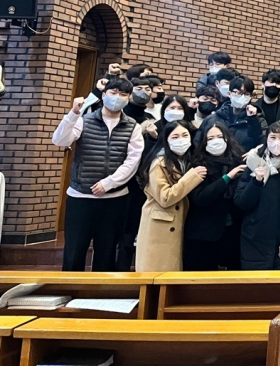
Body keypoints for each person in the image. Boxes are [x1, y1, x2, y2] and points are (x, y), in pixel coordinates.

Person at [52, 78, 143, 271]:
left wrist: (109, 183)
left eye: (123, 94)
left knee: (107, 253)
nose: (117, 97)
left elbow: (133, 161)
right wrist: (73, 113)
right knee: (74, 251)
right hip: (80, 196)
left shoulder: (133, 126)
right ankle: (70, 287)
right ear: (103, 95)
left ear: (128, 98)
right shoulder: (84, 120)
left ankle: (101, 289)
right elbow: (60, 140)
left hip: (114, 198)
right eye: (113, 92)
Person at [135, 121, 207, 271]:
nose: (181, 140)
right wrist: (192, 177)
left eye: (185, 135)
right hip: (160, 226)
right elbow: (165, 198)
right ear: (166, 140)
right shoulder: (159, 163)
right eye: (175, 137)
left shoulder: (188, 160)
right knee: (157, 272)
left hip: (180, 223)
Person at [234, 121, 280, 270]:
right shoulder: (254, 162)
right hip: (254, 239)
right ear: (266, 139)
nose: (276, 142)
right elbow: (241, 202)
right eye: (273, 137)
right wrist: (256, 182)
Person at [184, 121, 247, 271]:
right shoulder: (197, 164)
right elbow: (200, 198)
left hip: (233, 231)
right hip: (203, 233)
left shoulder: (238, 161)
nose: (216, 141)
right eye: (210, 138)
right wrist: (227, 177)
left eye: (219, 136)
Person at [207, 75, 267, 152]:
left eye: (246, 94)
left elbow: (262, 144)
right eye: (238, 93)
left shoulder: (259, 120)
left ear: (251, 96)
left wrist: (252, 119)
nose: (242, 97)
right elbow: (200, 143)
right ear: (229, 94)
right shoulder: (214, 118)